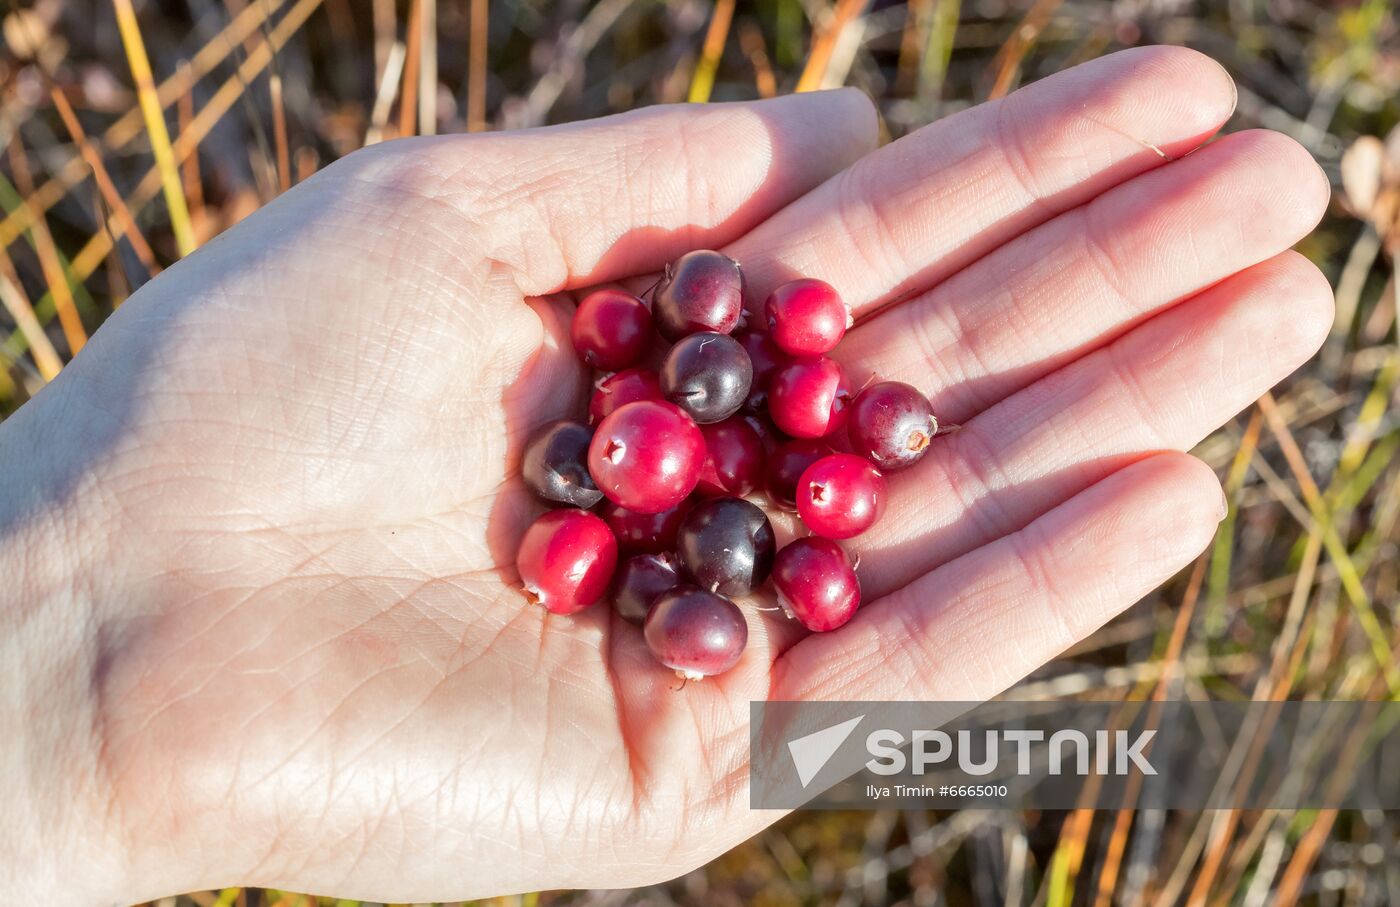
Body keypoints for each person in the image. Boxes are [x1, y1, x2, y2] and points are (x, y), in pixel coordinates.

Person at [0, 46, 1331, 903]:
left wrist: (69, 695)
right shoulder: (669, 439)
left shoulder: (728, 443)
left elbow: (725, 458)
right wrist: (69, 668)